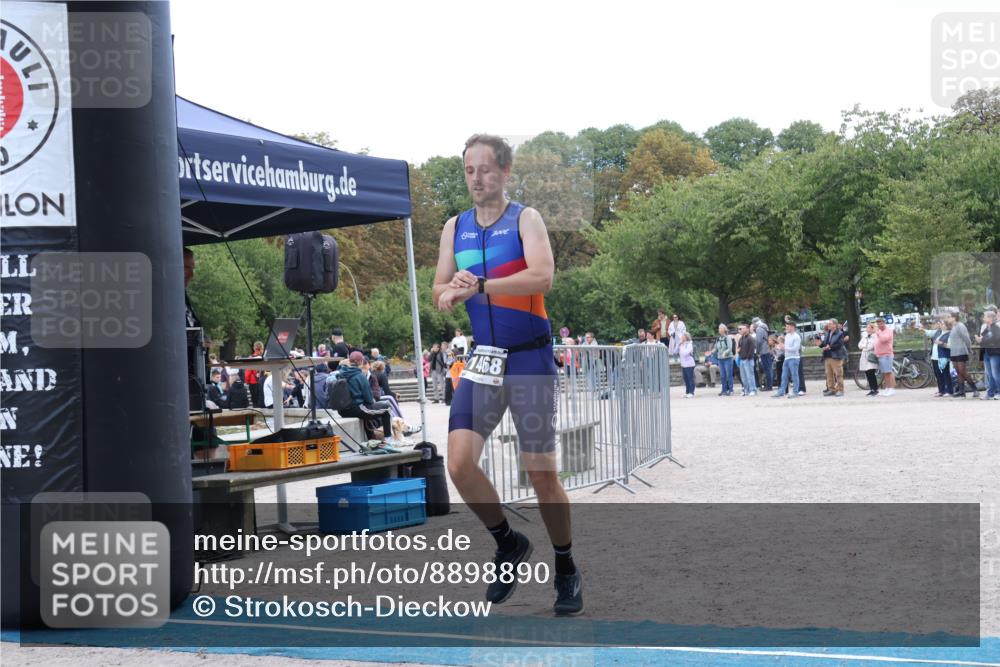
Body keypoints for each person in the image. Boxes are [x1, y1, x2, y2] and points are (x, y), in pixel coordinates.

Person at [432, 133, 581, 616]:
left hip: (529, 360)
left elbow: (543, 276)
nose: (477, 179)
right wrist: (450, 291)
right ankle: (508, 542)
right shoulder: (454, 227)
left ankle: (565, 566)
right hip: (485, 360)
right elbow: (437, 289)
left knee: (541, 475)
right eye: (469, 171)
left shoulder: (525, 219)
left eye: (485, 169)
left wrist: (481, 285)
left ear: (505, 172)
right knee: (458, 464)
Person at [338, 351, 393, 441]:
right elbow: (369, 399)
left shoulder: (340, 374)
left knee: (368, 411)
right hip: (357, 409)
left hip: (343, 411)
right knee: (387, 407)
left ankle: (371, 439)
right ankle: (389, 439)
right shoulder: (360, 376)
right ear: (360, 362)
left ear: (349, 361)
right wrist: (373, 401)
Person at [945, 310, 979, 398]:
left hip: (961, 351)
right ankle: (961, 391)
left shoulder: (960, 326)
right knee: (958, 372)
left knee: (963, 371)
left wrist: (969, 348)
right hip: (954, 352)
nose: (947, 319)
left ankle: (975, 389)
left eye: (949, 317)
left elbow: (966, 338)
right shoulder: (953, 327)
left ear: (954, 318)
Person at [819, 319, 847, 397]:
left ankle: (840, 390)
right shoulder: (828, 333)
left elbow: (839, 345)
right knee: (829, 375)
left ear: (835, 325)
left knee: (838, 374)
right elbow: (825, 343)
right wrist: (820, 344)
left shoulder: (840, 333)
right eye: (828, 323)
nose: (828, 325)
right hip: (827, 356)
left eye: (830, 323)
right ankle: (831, 389)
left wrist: (830, 347)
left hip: (836, 357)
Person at [773, 321, 801, 398]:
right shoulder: (787, 336)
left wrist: (784, 347)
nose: (786, 328)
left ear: (792, 327)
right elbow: (786, 347)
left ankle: (795, 392)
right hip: (787, 358)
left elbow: (796, 348)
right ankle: (781, 391)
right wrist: (780, 347)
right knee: (784, 376)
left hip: (794, 358)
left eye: (787, 326)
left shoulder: (796, 336)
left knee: (794, 376)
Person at [976, 310, 1000, 400]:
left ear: (990, 318)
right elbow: (983, 338)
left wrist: (982, 340)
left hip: (994, 353)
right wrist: (980, 339)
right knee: (989, 374)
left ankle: (999, 392)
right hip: (986, 353)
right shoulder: (986, 328)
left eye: (985, 317)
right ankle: (990, 393)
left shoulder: (996, 328)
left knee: (995, 374)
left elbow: (996, 339)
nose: (983, 318)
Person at [873, 317, 896, 397]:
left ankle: (891, 389)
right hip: (880, 355)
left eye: (880, 323)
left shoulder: (888, 331)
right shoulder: (879, 331)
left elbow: (884, 339)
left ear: (884, 323)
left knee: (888, 372)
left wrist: (877, 332)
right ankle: (887, 388)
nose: (879, 325)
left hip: (886, 354)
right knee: (885, 373)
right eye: (878, 324)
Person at [858, 322, 880, 397]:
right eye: (866, 327)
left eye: (868, 327)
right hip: (864, 356)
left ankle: (875, 389)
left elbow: (871, 346)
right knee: (867, 373)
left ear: (872, 328)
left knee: (871, 373)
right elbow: (859, 345)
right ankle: (871, 389)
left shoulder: (875, 336)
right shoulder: (865, 336)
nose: (867, 329)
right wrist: (865, 346)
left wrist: (864, 346)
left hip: (870, 356)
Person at [713, 324, 736, 396]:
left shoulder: (727, 338)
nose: (719, 330)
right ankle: (724, 390)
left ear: (724, 329)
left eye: (721, 328)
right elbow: (716, 348)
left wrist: (725, 353)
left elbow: (730, 348)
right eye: (719, 328)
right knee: (722, 376)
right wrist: (711, 351)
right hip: (720, 359)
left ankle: (731, 390)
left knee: (729, 375)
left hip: (728, 358)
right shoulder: (718, 339)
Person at [752, 318, 772, 391]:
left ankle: (769, 386)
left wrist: (757, 350)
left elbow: (758, 341)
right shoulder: (764, 327)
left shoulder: (759, 329)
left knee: (767, 369)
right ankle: (769, 385)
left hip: (763, 351)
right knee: (769, 368)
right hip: (767, 349)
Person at [736, 324, 757, 396]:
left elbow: (752, 349)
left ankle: (753, 390)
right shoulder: (741, 338)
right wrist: (738, 351)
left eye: (742, 328)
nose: (740, 330)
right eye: (740, 329)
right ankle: (746, 390)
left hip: (748, 360)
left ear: (747, 329)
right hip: (742, 359)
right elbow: (739, 347)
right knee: (744, 377)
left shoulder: (750, 338)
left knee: (750, 376)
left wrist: (748, 358)